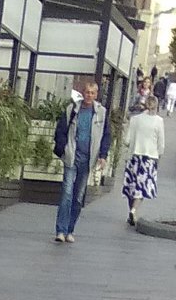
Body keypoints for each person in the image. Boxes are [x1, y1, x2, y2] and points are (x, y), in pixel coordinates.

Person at [53, 81, 111, 243]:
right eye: (87, 92)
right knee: (67, 193)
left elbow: (106, 135)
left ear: (96, 94)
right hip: (71, 156)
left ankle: (70, 229)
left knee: (78, 197)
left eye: (92, 93)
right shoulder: (72, 109)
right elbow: (61, 130)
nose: (89, 96)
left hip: (88, 160)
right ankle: (60, 230)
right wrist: (62, 148)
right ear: (82, 93)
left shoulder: (101, 113)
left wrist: (103, 155)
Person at [121, 95, 164, 227]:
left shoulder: (135, 119)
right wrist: (159, 155)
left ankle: (131, 210)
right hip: (149, 158)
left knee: (131, 187)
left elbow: (127, 140)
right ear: (156, 106)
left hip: (134, 156)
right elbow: (161, 143)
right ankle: (134, 210)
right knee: (142, 188)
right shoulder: (159, 121)